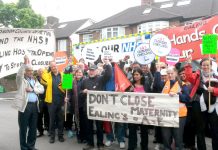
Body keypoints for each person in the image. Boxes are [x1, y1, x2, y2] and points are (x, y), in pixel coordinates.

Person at [185, 57, 218, 150]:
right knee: (200, 129)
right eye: (204, 65)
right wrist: (188, 64)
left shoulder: (216, 75)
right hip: (198, 103)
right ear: (201, 66)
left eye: (208, 65)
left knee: (215, 129)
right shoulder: (197, 75)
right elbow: (188, 77)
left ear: (211, 66)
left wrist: (214, 90)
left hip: (213, 104)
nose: (206, 67)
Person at [13, 56, 44, 150]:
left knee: (33, 128)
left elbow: (41, 90)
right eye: (28, 70)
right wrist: (24, 64)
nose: (30, 72)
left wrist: (33, 89)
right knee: (23, 128)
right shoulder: (21, 81)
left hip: (34, 106)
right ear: (25, 71)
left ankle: (31, 146)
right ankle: (24, 147)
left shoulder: (35, 80)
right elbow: (19, 75)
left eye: (31, 70)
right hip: (25, 106)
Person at [81, 62, 112, 150]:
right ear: (88, 71)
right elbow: (80, 91)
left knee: (99, 127)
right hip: (88, 108)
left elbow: (109, 74)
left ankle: (100, 144)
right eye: (90, 70)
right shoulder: (84, 80)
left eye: (93, 70)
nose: (91, 72)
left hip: (99, 108)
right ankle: (90, 143)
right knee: (89, 127)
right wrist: (83, 92)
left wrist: (108, 63)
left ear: (97, 71)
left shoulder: (101, 79)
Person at [161, 66, 190, 150]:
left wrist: (178, 95)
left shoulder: (182, 85)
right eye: (168, 73)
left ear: (176, 73)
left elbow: (187, 99)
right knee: (166, 137)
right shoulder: (164, 84)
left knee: (178, 138)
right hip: (166, 114)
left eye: (171, 73)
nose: (170, 75)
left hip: (179, 115)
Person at [41, 61, 65, 143]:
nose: (54, 68)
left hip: (61, 101)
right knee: (52, 120)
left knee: (61, 120)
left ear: (57, 66)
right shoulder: (47, 76)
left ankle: (60, 136)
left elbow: (68, 88)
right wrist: (46, 68)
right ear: (50, 68)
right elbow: (42, 74)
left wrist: (67, 97)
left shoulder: (63, 75)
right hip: (51, 102)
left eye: (55, 66)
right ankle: (52, 136)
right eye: (52, 67)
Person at [128, 68, 151, 150]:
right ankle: (132, 146)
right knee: (132, 131)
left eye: (137, 74)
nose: (135, 76)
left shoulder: (146, 85)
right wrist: (129, 91)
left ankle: (144, 147)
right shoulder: (130, 85)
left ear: (141, 75)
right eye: (134, 74)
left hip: (144, 113)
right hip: (132, 113)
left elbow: (151, 98)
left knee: (144, 132)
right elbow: (124, 97)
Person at [36, 68, 49, 137]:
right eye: (40, 72)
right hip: (39, 100)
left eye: (42, 72)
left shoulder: (48, 78)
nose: (41, 73)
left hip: (48, 100)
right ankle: (40, 131)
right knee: (39, 116)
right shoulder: (35, 80)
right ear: (37, 73)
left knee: (47, 115)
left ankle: (48, 128)